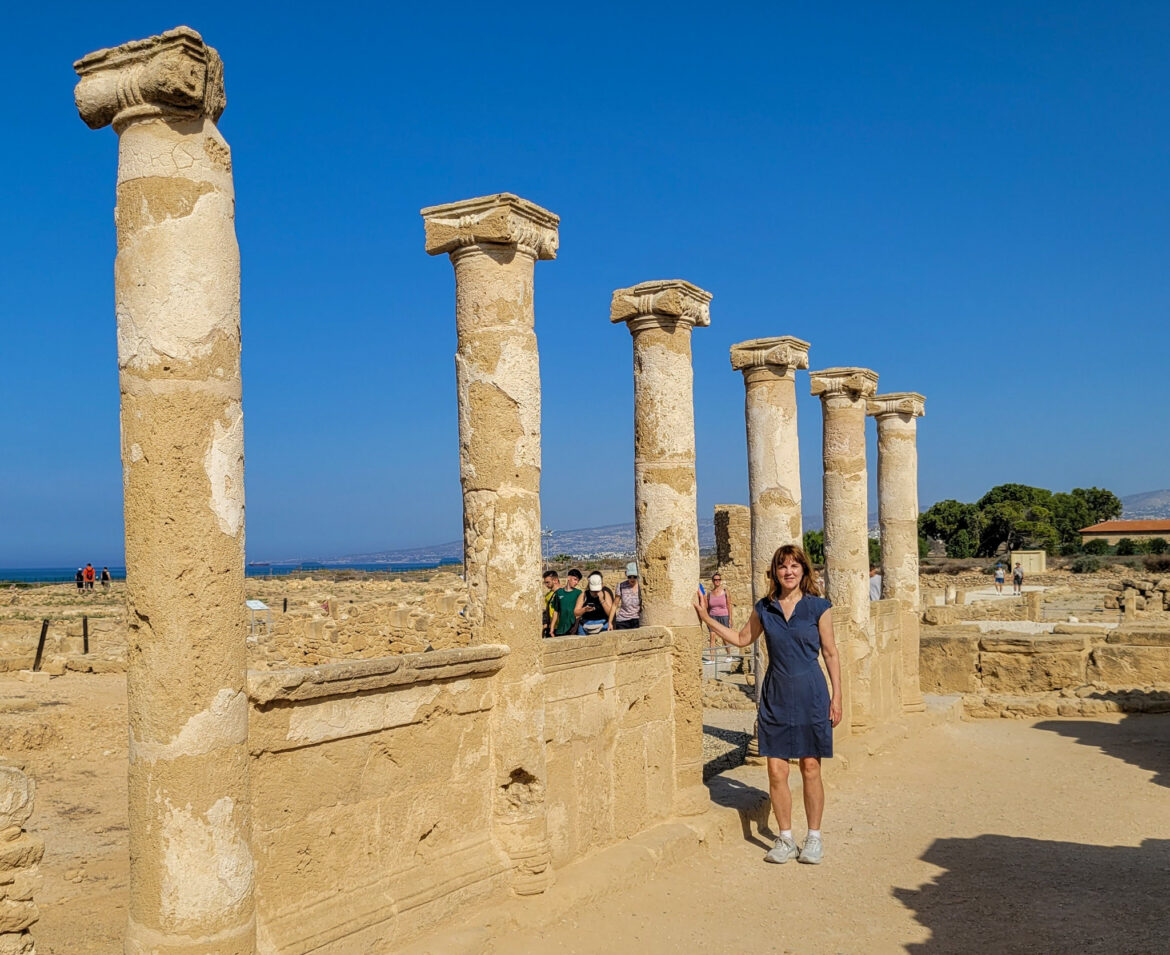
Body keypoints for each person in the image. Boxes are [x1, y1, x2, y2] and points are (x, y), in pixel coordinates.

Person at [693, 544, 842, 866]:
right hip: (775, 694)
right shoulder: (765, 607)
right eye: (782, 566)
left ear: (804, 571)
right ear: (775, 572)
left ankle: (813, 836)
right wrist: (706, 618)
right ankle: (785, 837)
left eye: (794, 566)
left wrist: (837, 696)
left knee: (811, 767)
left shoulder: (819, 607)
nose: (788, 571)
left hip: (811, 694)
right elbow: (742, 639)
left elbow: (830, 653)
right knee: (776, 770)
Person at [702, 572, 734, 656]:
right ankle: (712, 658)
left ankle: (729, 655)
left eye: (718, 579)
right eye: (715, 580)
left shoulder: (725, 592)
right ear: (712, 581)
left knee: (724, 636)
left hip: (724, 616)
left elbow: (729, 605)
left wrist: (730, 619)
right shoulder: (710, 593)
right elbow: (708, 607)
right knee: (712, 636)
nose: (717, 581)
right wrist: (707, 618)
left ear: (720, 581)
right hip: (713, 616)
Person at [550, 569, 583, 637]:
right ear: (568, 578)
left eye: (578, 581)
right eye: (575, 579)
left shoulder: (579, 593)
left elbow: (580, 612)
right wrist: (552, 628)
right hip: (560, 629)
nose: (576, 582)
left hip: (573, 629)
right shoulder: (559, 593)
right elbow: (556, 611)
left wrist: (576, 626)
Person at [614, 562, 641, 630]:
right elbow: (615, 605)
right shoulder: (621, 586)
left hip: (637, 619)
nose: (632, 579)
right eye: (629, 576)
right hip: (622, 620)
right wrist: (610, 622)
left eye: (635, 576)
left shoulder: (642, 587)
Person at [542, 570, 559, 637]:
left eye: (547, 582)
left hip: (560, 627)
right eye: (545, 583)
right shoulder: (548, 595)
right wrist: (545, 623)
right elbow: (546, 610)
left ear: (555, 580)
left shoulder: (563, 593)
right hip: (550, 626)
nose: (546, 585)